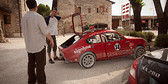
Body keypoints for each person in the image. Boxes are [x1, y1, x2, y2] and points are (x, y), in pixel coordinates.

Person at [21, 0, 54, 84]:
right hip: (39, 46)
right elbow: (45, 31)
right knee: (40, 66)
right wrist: (51, 39)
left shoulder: (23, 18)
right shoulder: (38, 17)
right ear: (36, 6)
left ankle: (31, 81)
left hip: (29, 46)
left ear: (28, 6)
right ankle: (41, 82)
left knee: (31, 65)